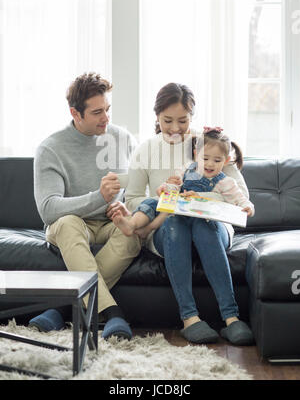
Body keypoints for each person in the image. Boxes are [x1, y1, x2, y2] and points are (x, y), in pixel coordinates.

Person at [124, 82, 255, 345]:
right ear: (157, 116)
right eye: (167, 120)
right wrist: (168, 198)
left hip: (212, 224)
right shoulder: (145, 149)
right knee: (175, 225)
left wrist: (199, 199)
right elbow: (132, 200)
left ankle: (231, 319)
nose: (174, 128)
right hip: (168, 227)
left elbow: (239, 193)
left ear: (192, 117)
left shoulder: (209, 143)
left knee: (202, 226)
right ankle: (190, 318)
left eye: (182, 121)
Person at [29, 72, 141, 341]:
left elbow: (139, 189)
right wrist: (98, 197)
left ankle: (63, 307)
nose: (106, 118)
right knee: (67, 223)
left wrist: (126, 210)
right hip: (73, 226)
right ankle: (113, 313)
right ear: (75, 113)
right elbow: (48, 208)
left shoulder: (123, 139)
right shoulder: (51, 148)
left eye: (108, 109)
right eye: (97, 112)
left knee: (133, 234)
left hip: (110, 224)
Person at [112, 127, 254, 239]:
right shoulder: (187, 168)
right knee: (152, 203)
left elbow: (240, 197)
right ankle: (132, 224)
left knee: (167, 213)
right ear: (195, 154)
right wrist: (165, 188)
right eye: (205, 158)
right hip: (177, 205)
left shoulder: (225, 181)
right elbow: (176, 184)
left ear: (226, 161)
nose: (210, 164)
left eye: (217, 161)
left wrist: (247, 206)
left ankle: (147, 229)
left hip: (198, 214)